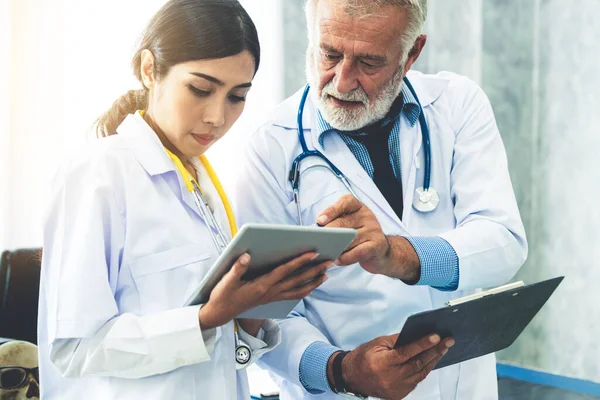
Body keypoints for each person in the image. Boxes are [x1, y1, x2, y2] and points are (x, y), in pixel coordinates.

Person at [233, 0, 528, 398]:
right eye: (329, 54)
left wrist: (399, 255)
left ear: (412, 53)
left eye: (368, 63)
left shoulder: (457, 106)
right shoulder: (271, 148)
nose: (341, 81)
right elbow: (263, 318)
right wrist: (343, 370)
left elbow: (503, 241)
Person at [37, 1, 330, 399]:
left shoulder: (202, 182)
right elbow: (72, 349)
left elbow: (217, 357)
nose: (217, 116)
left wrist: (255, 310)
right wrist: (207, 319)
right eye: (201, 89)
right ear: (148, 69)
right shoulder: (97, 174)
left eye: (236, 97)